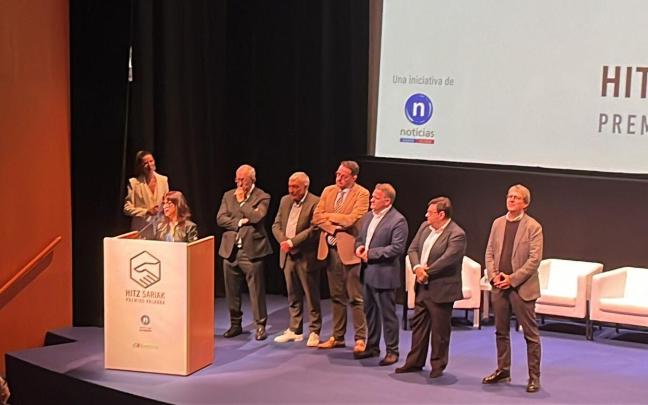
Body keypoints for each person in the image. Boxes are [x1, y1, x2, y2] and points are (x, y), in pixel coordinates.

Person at [395, 197, 466, 378]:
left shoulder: (456, 234)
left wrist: (427, 272)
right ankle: (414, 362)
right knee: (418, 327)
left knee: (440, 331)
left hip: (442, 288)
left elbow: (448, 259)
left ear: (441, 215)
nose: (426, 215)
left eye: (430, 212)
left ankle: (437, 365)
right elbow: (412, 249)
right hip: (422, 286)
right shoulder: (424, 227)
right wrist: (417, 268)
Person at [482, 184, 543, 393]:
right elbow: (489, 252)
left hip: (522, 288)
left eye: (516, 197)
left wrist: (512, 279)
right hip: (499, 286)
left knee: (530, 335)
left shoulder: (533, 227)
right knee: (501, 331)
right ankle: (503, 370)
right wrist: (493, 276)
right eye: (509, 196)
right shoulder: (498, 223)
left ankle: (534, 377)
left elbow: (534, 260)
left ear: (525, 203)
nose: (511, 200)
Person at [312, 160, 369, 353]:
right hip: (330, 250)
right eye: (337, 174)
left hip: (350, 251)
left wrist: (329, 216)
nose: (339, 178)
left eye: (343, 176)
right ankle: (337, 337)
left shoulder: (362, 193)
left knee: (355, 297)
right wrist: (334, 227)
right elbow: (316, 217)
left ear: (354, 177)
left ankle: (360, 338)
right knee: (336, 296)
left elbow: (353, 219)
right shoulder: (328, 190)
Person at [353, 183, 408, 366]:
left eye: (375, 198)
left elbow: (397, 248)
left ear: (387, 201)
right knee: (370, 312)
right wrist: (359, 248)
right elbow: (360, 239)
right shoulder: (369, 216)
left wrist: (370, 254)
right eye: (372, 197)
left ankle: (392, 350)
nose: (371, 200)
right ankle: (372, 346)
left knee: (387, 315)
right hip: (367, 272)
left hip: (384, 275)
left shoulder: (398, 220)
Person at [217, 164, 273, 341]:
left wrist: (242, 203)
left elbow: (257, 217)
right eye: (237, 179)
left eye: (242, 180)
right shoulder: (228, 195)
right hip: (230, 250)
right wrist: (240, 222)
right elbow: (220, 219)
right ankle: (235, 324)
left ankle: (260, 325)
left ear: (252, 179)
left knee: (256, 290)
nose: (238, 183)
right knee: (232, 291)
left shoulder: (262, 196)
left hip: (252, 251)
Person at [271, 172, 322, 347]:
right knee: (293, 294)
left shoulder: (315, 202)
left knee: (311, 295)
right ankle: (295, 330)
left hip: (306, 256)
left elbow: (314, 229)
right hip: (287, 254)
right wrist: (284, 241)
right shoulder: (285, 201)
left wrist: (292, 242)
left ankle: (314, 331)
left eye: (295, 187)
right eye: (290, 186)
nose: (291, 190)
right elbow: (276, 224)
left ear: (305, 187)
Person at [123, 150, 169, 239]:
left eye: (151, 161)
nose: (149, 165)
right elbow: (127, 208)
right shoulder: (134, 183)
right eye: (145, 163)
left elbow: (167, 202)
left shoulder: (163, 180)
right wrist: (146, 211)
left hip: (161, 229)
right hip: (142, 231)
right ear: (140, 166)